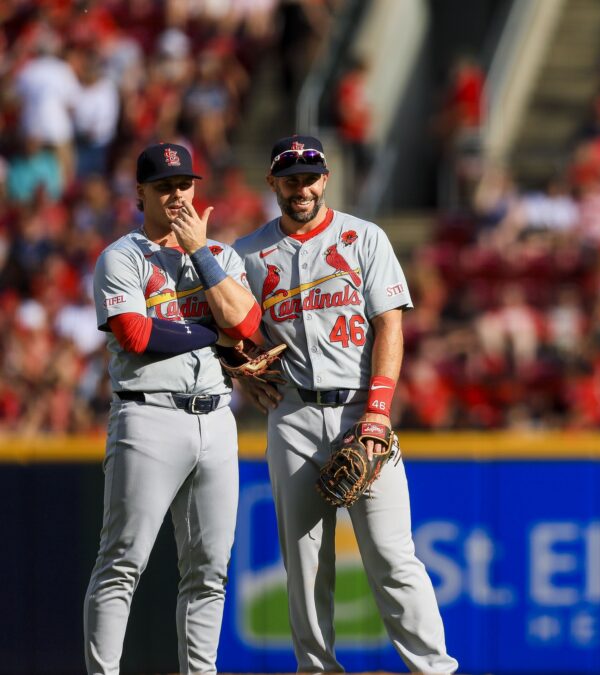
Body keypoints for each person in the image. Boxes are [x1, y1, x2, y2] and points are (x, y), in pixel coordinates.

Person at [232, 135, 457, 673]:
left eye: (310, 177)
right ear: (273, 183)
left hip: (361, 410)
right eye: (290, 178)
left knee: (392, 557)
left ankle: (434, 669)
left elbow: (390, 327)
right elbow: (228, 331)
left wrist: (378, 412)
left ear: (325, 178)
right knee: (306, 566)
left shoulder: (363, 238)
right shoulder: (246, 254)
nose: (301, 187)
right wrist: (235, 368)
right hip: (293, 413)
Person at [84, 142, 262, 674]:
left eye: (184, 184)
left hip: (215, 416)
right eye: (163, 186)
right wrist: (212, 332)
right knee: (122, 563)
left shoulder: (222, 256)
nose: (177, 195)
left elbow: (248, 328)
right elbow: (137, 335)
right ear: (140, 193)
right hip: (147, 414)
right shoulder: (122, 256)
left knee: (210, 569)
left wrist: (201, 255)